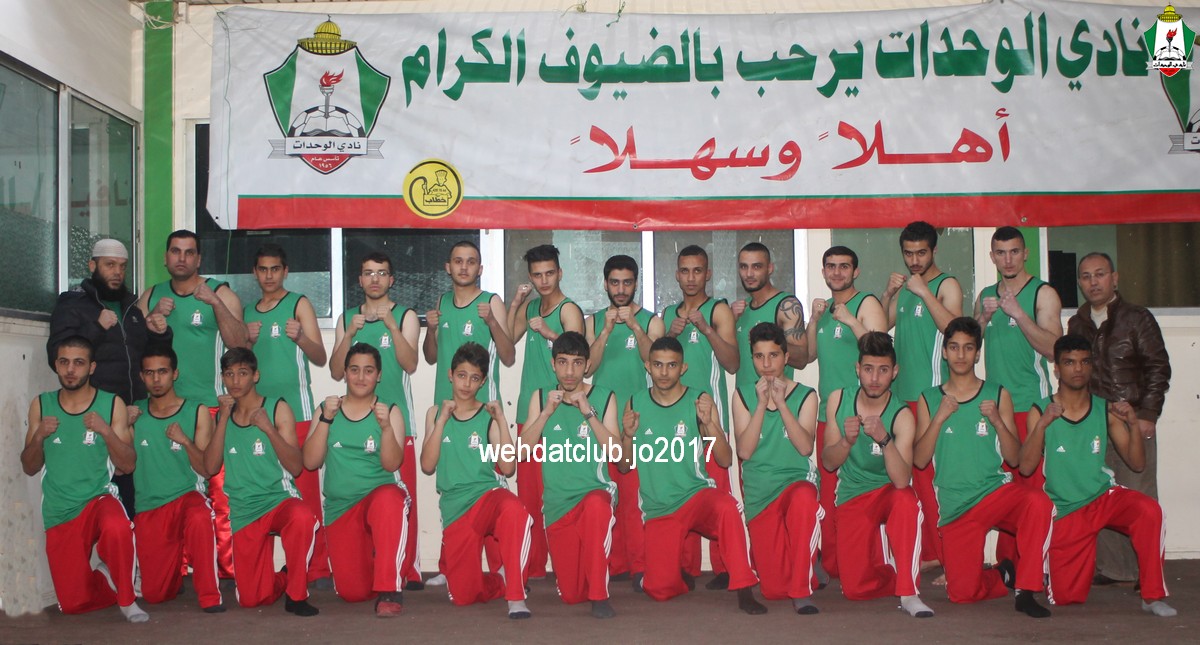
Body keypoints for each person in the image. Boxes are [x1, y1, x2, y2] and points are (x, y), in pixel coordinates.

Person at [1020, 335, 1175, 617]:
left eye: (1084, 362)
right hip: (1066, 509)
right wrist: (1041, 426)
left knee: (1149, 511)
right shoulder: (1040, 409)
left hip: (1104, 497)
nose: (1078, 369)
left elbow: (1137, 464)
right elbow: (1026, 468)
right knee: (1066, 598)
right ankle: (1048, 565)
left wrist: (1132, 424)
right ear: (1057, 369)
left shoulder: (1106, 409)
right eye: (1069, 363)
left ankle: (1152, 595)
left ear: (1092, 366)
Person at [913, 317, 1053, 617]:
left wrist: (998, 422)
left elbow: (1014, 460)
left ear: (977, 354)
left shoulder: (997, 393)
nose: (961, 355)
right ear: (945, 353)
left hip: (993, 493)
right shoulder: (929, 398)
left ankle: (1026, 589)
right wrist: (939, 418)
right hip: (957, 507)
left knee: (1037, 502)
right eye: (954, 347)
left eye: (968, 348)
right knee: (962, 594)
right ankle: (1003, 574)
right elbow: (920, 460)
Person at [618, 336, 767, 615]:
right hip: (660, 508)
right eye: (658, 365)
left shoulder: (699, 400)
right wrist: (627, 436)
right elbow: (624, 466)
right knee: (658, 590)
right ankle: (678, 579)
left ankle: (744, 587)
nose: (664, 372)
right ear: (647, 366)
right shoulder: (635, 403)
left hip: (695, 496)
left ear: (683, 368)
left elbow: (725, 459)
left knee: (728, 507)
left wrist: (709, 423)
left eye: (672, 365)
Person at [140, 229, 249, 578]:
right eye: (175, 251)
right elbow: (132, 348)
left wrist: (215, 304)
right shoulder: (152, 295)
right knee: (176, 493)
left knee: (220, 493)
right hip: (165, 411)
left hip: (211, 407)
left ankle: (227, 571)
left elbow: (242, 344)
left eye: (189, 252)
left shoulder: (220, 291)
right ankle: (182, 569)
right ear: (166, 257)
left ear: (199, 259)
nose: (182, 258)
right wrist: (149, 319)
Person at [22, 336, 148, 622]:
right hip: (60, 510)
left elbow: (128, 465)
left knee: (117, 525)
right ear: (56, 365)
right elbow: (29, 467)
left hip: (98, 499)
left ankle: (128, 600)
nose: (70, 369)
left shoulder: (111, 404)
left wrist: (106, 431)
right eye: (64, 362)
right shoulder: (42, 405)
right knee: (73, 604)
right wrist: (39, 436)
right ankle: (107, 579)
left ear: (91, 367)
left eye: (78, 363)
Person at [1067, 252, 1171, 587]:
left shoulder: (1137, 318)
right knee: (1103, 494)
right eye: (1086, 276)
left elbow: (1158, 367)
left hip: (1132, 420)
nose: (1093, 282)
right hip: (1095, 423)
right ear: (1080, 283)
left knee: (1140, 497)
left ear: (1115, 278)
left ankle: (1147, 571)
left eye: (1100, 274)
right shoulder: (1077, 323)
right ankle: (1114, 568)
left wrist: (1148, 414)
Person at [49, 238, 172, 518]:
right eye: (110, 265)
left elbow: (146, 359)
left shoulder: (131, 309)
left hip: (134, 415)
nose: (117, 272)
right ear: (92, 266)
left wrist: (160, 334)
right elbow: (56, 356)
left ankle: (132, 544)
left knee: (134, 495)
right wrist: (96, 327)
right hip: (95, 418)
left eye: (122, 266)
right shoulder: (73, 305)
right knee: (99, 498)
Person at [821, 332, 932, 618]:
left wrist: (884, 440)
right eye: (868, 369)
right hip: (853, 495)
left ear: (894, 372)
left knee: (906, 500)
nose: (874, 378)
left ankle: (909, 592)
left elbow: (901, 480)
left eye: (883, 370)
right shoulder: (838, 399)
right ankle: (892, 573)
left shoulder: (902, 414)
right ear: (857, 369)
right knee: (854, 590)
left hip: (887, 492)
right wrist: (846, 442)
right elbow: (828, 463)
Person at [330, 251, 423, 589]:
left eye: (381, 273)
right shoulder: (347, 318)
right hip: (353, 424)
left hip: (395, 423)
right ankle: (370, 568)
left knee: (400, 499)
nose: (375, 279)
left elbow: (411, 364)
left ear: (391, 279)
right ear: (359, 279)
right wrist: (347, 335)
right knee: (361, 502)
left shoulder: (406, 315)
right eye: (368, 273)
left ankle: (408, 570)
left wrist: (392, 327)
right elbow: (335, 370)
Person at [202, 348, 319, 616]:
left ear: (256, 376)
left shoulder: (277, 407)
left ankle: (297, 595)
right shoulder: (222, 414)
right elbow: (210, 468)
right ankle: (284, 577)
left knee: (302, 517)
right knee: (252, 599)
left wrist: (268, 429)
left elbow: (296, 466)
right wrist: (222, 419)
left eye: (242, 373)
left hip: (278, 501)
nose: (235, 381)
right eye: (229, 374)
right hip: (245, 511)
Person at [420, 342, 533, 619]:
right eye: (461, 375)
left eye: (474, 378)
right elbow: (427, 465)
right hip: (456, 509)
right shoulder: (435, 413)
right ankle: (500, 580)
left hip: (487, 497)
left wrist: (502, 420)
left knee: (515, 510)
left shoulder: (488, 415)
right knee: (463, 596)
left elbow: (508, 467)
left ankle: (516, 597)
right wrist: (442, 421)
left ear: (482, 382)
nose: (466, 384)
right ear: (450, 375)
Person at [245, 243, 331, 587]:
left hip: (298, 413)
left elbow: (320, 357)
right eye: (263, 269)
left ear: (285, 271)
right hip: (260, 417)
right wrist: (247, 342)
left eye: (275, 269)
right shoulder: (247, 311)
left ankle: (318, 567)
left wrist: (301, 338)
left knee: (305, 493)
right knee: (265, 492)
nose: (269, 276)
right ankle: (264, 568)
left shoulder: (298, 304)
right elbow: (239, 365)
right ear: (255, 273)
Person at [976, 226, 1062, 565]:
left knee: (1031, 488)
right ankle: (1008, 563)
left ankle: (1034, 565)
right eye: (1001, 252)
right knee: (1003, 489)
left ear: (1026, 254)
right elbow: (968, 348)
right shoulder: (986, 294)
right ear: (992, 257)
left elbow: (1055, 350)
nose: (1008, 259)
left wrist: (1019, 314)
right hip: (997, 409)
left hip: (1032, 406)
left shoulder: (1043, 293)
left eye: (1014, 251)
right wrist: (983, 318)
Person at [303, 343, 410, 617]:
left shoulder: (390, 411)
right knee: (353, 593)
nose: (361, 377)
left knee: (390, 499)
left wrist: (386, 428)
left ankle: (390, 588)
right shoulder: (326, 409)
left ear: (379, 375)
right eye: (354, 370)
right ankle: (380, 563)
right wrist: (326, 420)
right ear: (345, 373)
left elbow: (392, 464)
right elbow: (310, 462)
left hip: (379, 500)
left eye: (368, 370)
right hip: (341, 508)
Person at [881, 221, 964, 569]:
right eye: (908, 253)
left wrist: (925, 293)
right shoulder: (905, 288)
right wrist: (888, 294)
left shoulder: (946, 284)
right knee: (911, 481)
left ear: (934, 251)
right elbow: (882, 325)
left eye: (921, 253)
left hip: (932, 398)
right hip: (901, 398)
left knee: (935, 482)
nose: (914, 260)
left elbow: (956, 332)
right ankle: (930, 553)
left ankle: (951, 558)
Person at [522, 332, 620, 618]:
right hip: (557, 505)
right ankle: (587, 581)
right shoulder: (541, 396)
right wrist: (545, 414)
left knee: (597, 506)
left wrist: (589, 413)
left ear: (587, 365)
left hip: (594, 494)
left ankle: (600, 595)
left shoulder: (604, 396)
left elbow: (616, 453)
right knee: (571, 595)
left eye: (577, 363)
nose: (569, 371)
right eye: (563, 362)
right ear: (553, 364)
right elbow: (522, 452)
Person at [802, 245, 885, 579]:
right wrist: (813, 320)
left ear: (856, 271)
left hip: (865, 413)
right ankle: (834, 563)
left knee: (866, 492)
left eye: (844, 266)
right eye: (831, 266)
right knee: (829, 493)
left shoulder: (867, 303)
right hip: (829, 413)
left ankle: (871, 563)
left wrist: (850, 320)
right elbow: (808, 356)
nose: (837, 272)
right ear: (823, 272)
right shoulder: (825, 310)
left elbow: (880, 350)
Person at [660, 245, 740, 587]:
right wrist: (671, 335)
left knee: (717, 491)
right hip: (675, 420)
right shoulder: (667, 314)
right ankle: (686, 567)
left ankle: (726, 567)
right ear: (677, 275)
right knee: (681, 489)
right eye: (685, 271)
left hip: (709, 416)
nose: (691, 278)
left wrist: (706, 329)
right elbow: (657, 364)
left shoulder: (719, 309)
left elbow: (732, 363)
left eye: (697, 271)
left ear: (708, 274)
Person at [733, 322, 822, 614]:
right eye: (759, 357)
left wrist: (782, 404)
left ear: (786, 357)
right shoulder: (743, 395)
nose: (767, 364)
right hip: (761, 494)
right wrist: (762, 405)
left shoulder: (806, 394)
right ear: (752, 359)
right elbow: (744, 452)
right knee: (773, 590)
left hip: (795, 483)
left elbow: (805, 448)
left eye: (773, 355)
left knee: (804, 498)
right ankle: (808, 567)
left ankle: (802, 590)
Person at [507, 244, 584, 578]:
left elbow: (578, 355)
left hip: (561, 413)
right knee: (529, 495)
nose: (544, 280)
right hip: (531, 409)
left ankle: (571, 563)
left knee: (563, 492)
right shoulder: (531, 307)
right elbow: (507, 343)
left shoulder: (569, 309)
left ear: (560, 273)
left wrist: (550, 333)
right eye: (537, 275)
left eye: (549, 273)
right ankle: (533, 566)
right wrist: (515, 304)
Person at [585, 254, 662, 583]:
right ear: (605, 284)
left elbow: (656, 364)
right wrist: (605, 330)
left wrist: (634, 326)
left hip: (637, 417)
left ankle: (639, 565)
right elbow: (587, 367)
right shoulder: (593, 322)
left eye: (627, 282)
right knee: (607, 493)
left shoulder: (651, 321)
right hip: (602, 415)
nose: (620, 289)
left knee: (634, 497)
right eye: (614, 282)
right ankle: (614, 565)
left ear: (635, 284)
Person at [129, 346, 223, 613]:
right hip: (150, 506)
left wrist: (186, 442)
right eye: (150, 373)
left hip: (186, 497)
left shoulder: (196, 410)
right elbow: (122, 465)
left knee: (200, 517)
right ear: (141, 376)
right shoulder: (134, 413)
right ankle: (172, 577)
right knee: (154, 595)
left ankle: (210, 596)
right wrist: (123, 425)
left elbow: (206, 469)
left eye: (162, 372)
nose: (156, 379)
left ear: (174, 374)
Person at [423, 240, 516, 406]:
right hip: (445, 404)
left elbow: (509, 358)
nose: (464, 267)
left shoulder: (492, 301)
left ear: (480, 269)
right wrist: (430, 331)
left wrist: (492, 322)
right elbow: (431, 358)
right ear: (448, 267)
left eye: (471, 262)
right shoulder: (442, 301)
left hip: (483, 406)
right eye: (458, 261)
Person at [733, 242, 807, 392]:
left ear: (770, 268)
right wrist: (730, 321)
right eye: (744, 267)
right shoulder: (740, 310)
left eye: (756, 267)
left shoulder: (786, 305)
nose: (749, 274)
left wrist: (769, 339)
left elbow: (801, 359)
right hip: (744, 400)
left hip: (776, 400)